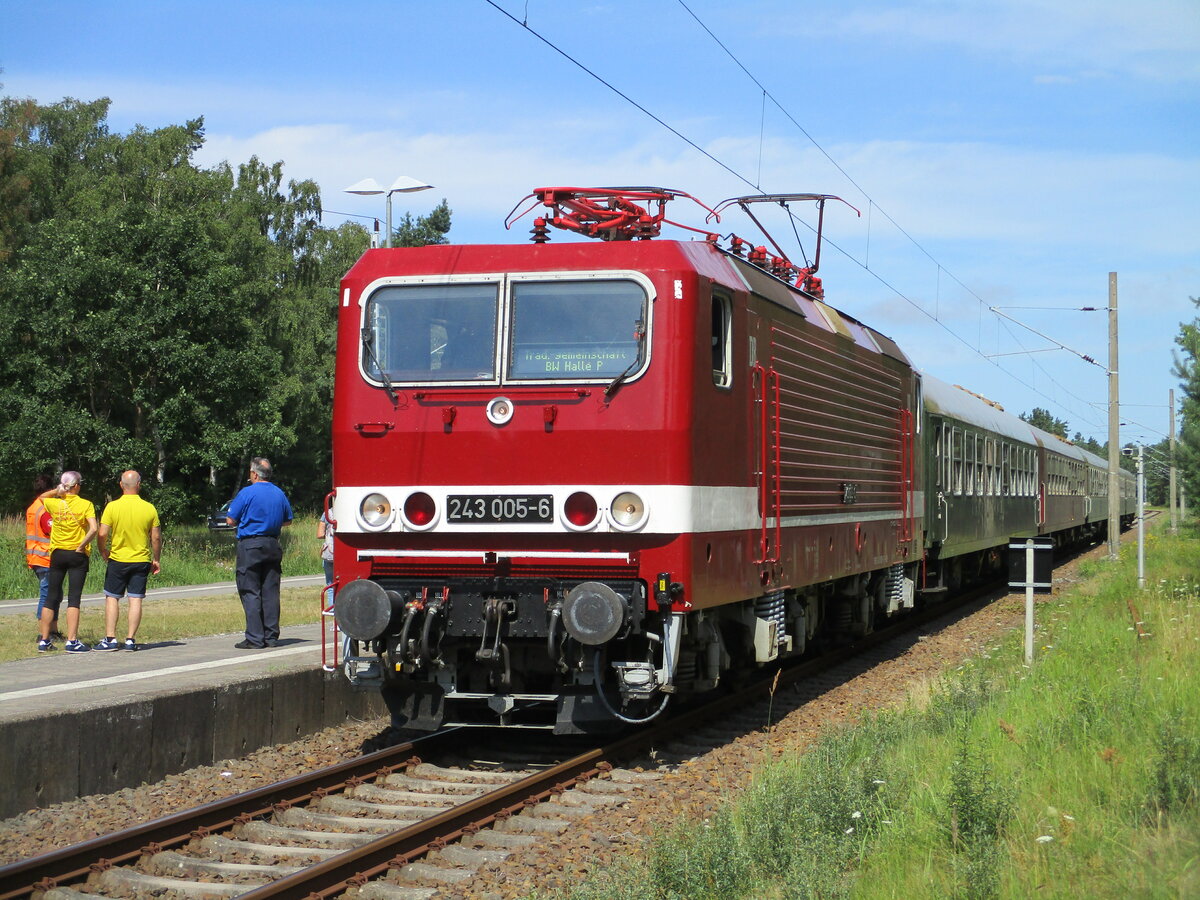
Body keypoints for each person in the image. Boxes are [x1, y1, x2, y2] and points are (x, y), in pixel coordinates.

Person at [226, 457, 293, 649]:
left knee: (250, 590)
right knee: (270, 591)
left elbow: (231, 520)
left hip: (251, 544)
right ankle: (271, 636)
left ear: (254, 474)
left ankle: (255, 637)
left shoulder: (247, 493)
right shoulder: (279, 493)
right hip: (272, 544)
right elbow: (288, 520)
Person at [94, 470, 161, 651]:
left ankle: (110, 639)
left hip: (118, 559)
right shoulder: (149, 508)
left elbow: (102, 533)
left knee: (112, 598)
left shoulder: (112, 507)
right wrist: (156, 558)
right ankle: (130, 639)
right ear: (139, 485)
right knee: (135, 599)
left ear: (121, 485)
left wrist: (102, 550)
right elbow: (155, 538)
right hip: (141, 560)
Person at [37, 471, 98, 653]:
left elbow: (41, 497)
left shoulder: (55, 503)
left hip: (57, 553)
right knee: (74, 598)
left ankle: (44, 640)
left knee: (51, 596)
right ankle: (72, 641)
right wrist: (82, 545)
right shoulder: (86, 504)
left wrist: (58, 491)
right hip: (76, 554)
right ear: (77, 485)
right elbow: (93, 528)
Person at [25, 474, 59, 637]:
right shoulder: (45, 507)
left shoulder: (32, 506)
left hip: (35, 555)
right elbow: (51, 529)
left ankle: (53, 630)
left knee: (53, 594)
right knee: (48, 596)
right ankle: (44, 633)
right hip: (45, 556)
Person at [317, 506, 334, 607]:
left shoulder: (328, 513)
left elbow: (319, 534)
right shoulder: (351, 510)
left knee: (331, 586)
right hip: (345, 556)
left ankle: (333, 615)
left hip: (330, 555)